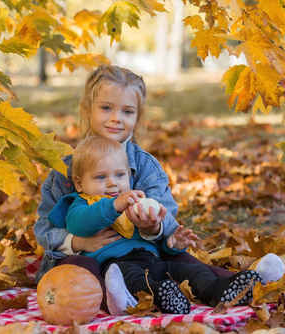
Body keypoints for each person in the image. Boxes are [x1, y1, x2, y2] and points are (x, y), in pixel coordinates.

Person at [33, 65, 233, 314]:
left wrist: (154, 227)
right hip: (86, 258)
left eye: (127, 111)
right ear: (87, 109)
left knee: (182, 263)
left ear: (137, 117)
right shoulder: (66, 168)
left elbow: (166, 220)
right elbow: (44, 229)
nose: (116, 117)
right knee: (83, 268)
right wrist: (79, 241)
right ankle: (117, 300)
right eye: (106, 108)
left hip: (145, 254)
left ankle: (230, 285)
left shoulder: (146, 166)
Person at [49, 136, 262, 314]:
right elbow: (79, 225)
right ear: (79, 183)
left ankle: (219, 289)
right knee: (135, 281)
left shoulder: (134, 202)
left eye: (120, 175)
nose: (113, 183)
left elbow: (154, 237)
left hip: (153, 259)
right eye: (101, 177)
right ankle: (162, 296)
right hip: (118, 264)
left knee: (188, 271)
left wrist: (172, 241)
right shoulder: (82, 203)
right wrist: (113, 206)